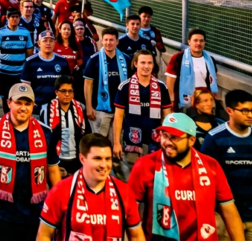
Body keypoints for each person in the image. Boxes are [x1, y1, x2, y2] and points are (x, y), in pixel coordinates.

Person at [127, 112, 245, 241]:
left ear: (192, 140)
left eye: (175, 137)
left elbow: (229, 212)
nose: (168, 142)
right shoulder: (145, 165)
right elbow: (129, 213)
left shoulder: (211, 166)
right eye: (164, 136)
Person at [0, 83, 62, 241]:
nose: (23, 108)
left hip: (35, 215)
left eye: (27, 104)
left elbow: (53, 172)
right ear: (9, 103)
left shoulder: (46, 133)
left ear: (33, 105)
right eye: (18, 103)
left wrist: (60, 210)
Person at [200, 89, 252, 241]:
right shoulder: (214, 138)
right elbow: (205, 178)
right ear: (229, 110)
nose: (250, 115)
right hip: (224, 216)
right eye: (244, 111)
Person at [37, 133, 146, 241]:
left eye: (108, 159)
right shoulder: (61, 191)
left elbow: (136, 236)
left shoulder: (124, 192)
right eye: (97, 158)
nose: (104, 165)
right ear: (82, 159)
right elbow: (44, 235)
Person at [113, 50, 173, 178]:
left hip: (155, 141)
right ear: (135, 64)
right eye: (143, 62)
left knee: (153, 178)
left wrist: (168, 140)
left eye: (149, 63)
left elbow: (167, 117)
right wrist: (116, 142)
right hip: (132, 141)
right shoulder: (125, 87)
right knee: (134, 178)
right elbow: (118, 117)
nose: (146, 66)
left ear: (153, 65)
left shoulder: (162, 87)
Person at [38, 75, 91, 177]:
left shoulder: (80, 108)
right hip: (56, 161)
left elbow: (87, 135)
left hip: (77, 160)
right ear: (56, 92)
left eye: (70, 91)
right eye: (63, 91)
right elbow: (43, 137)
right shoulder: (46, 110)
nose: (67, 94)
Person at [83, 27, 129, 138]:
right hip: (100, 109)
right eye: (106, 40)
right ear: (102, 41)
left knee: (117, 145)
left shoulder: (127, 59)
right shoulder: (94, 60)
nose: (108, 43)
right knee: (99, 142)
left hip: (120, 109)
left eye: (111, 40)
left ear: (117, 41)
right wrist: (89, 107)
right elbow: (88, 84)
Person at [166, 28, 219, 111]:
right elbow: (170, 82)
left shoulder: (210, 60)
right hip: (184, 100)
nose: (198, 43)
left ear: (204, 42)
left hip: (204, 101)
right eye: (195, 40)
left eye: (201, 41)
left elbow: (212, 81)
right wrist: (171, 101)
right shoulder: (178, 58)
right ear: (189, 42)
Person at [0, 7, 34, 112]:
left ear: (20, 18)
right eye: (12, 17)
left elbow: (29, 52)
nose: (14, 19)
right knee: (5, 97)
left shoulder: (25, 32)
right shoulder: (0, 33)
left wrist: (28, 70)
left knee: (20, 96)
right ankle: (7, 117)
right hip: (5, 72)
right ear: (7, 18)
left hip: (20, 72)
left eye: (16, 17)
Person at [21, 30, 72, 107]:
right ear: (39, 43)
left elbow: (67, 85)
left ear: (54, 43)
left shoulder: (62, 61)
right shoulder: (30, 62)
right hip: (36, 107)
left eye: (51, 41)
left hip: (57, 107)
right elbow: (25, 87)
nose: (48, 43)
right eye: (45, 41)